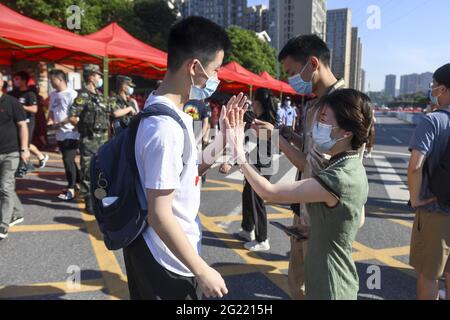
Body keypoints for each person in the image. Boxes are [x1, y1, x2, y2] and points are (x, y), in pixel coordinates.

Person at [123, 16, 245, 300]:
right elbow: (159, 214)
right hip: (166, 260)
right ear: (194, 67)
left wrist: (223, 138)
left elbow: (190, 170)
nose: (216, 79)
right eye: (214, 70)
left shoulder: (172, 113)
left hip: (168, 253)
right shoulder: (164, 128)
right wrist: (202, 270)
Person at [229, 89, 372, 299]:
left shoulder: (340, 176)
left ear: (346, 132)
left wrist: (238, 153)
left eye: (323, 120)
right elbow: (356, 219)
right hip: (331, 278)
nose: (316, 127)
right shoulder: (351, 166)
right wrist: (319, 232)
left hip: (330, 285)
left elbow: (269, 193)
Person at [252, 34, 347, 300]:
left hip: (322, 215)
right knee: (298, 280)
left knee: (316, 286)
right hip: (306, 206)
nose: (291, 79)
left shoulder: (338, 106)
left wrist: (275, 139)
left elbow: (313, 166)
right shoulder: (317, 102)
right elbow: (311, 151)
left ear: (313, 63)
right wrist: (288, 135)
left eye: (293, 72)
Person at [408, 63, 450, 300]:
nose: (432, 89)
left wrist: (416, 198)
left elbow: (415, 166)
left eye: (434, 85)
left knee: (430, 275)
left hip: (435, 211)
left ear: (443, 89)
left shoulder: (433, 121)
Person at [68, 64, 128, 213]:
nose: (100, 78)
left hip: (102, 139)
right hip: (89, 139)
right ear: (91, 77)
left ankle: (99, 198)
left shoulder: (100, 96)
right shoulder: (83, 96)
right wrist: (83, 127)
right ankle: (89, 201)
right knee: (88, 171)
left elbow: (113, 112)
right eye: (98, 75)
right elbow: (72, 117)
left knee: (101, 169)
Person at [238, 88, 277, 252]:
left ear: (258, 103)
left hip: (261, 166)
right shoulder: (261, 118)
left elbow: (250, 126)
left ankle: (263, 239)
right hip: (255, 164)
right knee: (247, 194)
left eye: (253, 100)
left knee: (256, 201)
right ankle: (248, 229)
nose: (251, 103)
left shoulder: (260, 121)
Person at [0, 72, 30, 239]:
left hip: (10, 152)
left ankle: (3, 224)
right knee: (4, 187)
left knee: (5, 187)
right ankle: (17, 212)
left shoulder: (12, 102)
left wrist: (24, 149)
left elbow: (22, 126)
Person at [47, 69, 80, 201]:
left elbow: (75, 115)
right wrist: (50, 121)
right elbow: (51, 111)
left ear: (60, 79)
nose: (50, 82)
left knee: (67, 160)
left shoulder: (72, 94)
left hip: (71, 132)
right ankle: (79, 181)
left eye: (52, 79)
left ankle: (71, 188)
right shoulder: (53, 94)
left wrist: (61, 123)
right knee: (69, 160)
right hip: (59, 133)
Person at [8, 71, 49, 169]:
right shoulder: (12, 93)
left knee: (24, 143)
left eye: (17, 79)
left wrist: (20, 106)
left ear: (24, 81)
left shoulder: (30, 94)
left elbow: (34, 109)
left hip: (28, 121)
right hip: (15, 121)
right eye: (14, 79)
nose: (15, 81)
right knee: (21, 142)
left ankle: (25, 165)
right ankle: (41, 156)